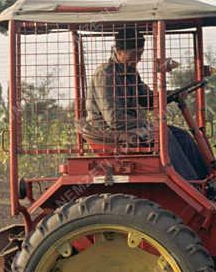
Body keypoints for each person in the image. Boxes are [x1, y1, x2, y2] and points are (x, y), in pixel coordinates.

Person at [85, 26, 209, 180]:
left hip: (129, 127)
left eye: (140, 54)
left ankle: (207, 179)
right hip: (107, 132)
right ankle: (190, 182)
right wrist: (145, 124)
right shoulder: (105, 75)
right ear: (118, 51)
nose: (137, 60)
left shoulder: (130, 72)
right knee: (164, 135)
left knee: (182, 136)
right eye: (133, 55)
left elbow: (149, 100)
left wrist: (171, 94)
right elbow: (114, 119)